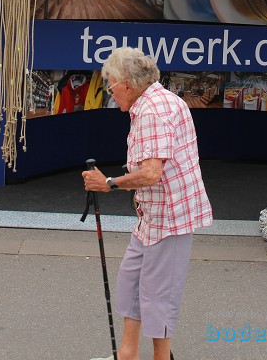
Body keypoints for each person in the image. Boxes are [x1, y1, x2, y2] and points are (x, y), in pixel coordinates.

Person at [83, 46, 213, 360]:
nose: (109, 93)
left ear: (126, 84)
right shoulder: (157, 100)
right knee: (131, 281)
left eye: (110, 85)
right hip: (152, 216)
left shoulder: (153, 111)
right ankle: (127, 353)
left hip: (170, 218)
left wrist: (109, 183)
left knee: (159, 296)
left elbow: (152, 174)